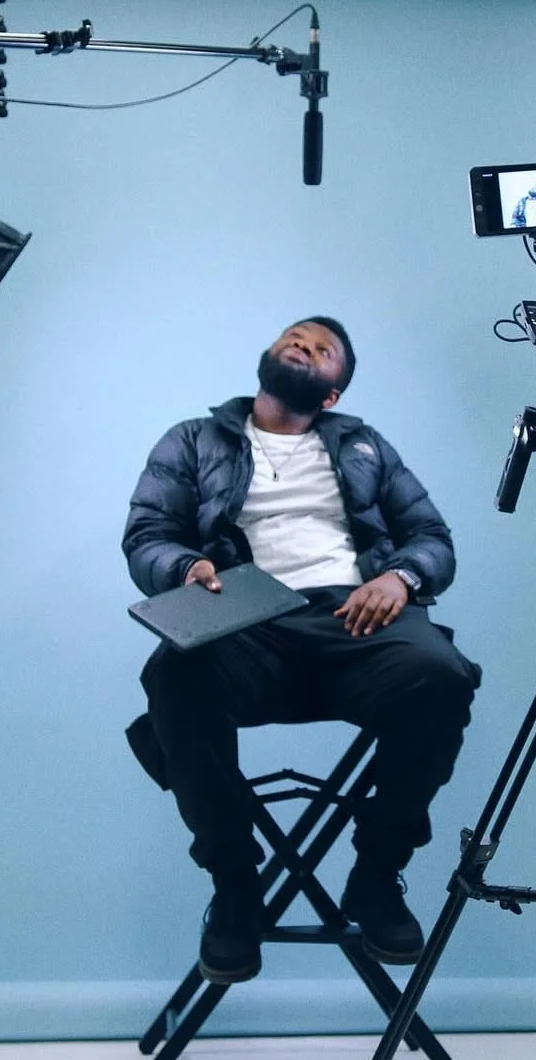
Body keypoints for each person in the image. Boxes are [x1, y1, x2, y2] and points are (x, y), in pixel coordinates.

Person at [123, 318, 480, 985]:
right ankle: (235, 884)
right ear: (265, 355)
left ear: (334, 393)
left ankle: (376, 875)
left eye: (324, 351)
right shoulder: (194, 439)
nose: (305, 347)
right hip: (245, 618)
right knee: (175, 672)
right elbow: (148, 532)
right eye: (297, 337)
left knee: (441, 673)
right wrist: (186, 568)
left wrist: (399, 578)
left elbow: (431, 536)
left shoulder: (365, 444)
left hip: (354, 617)